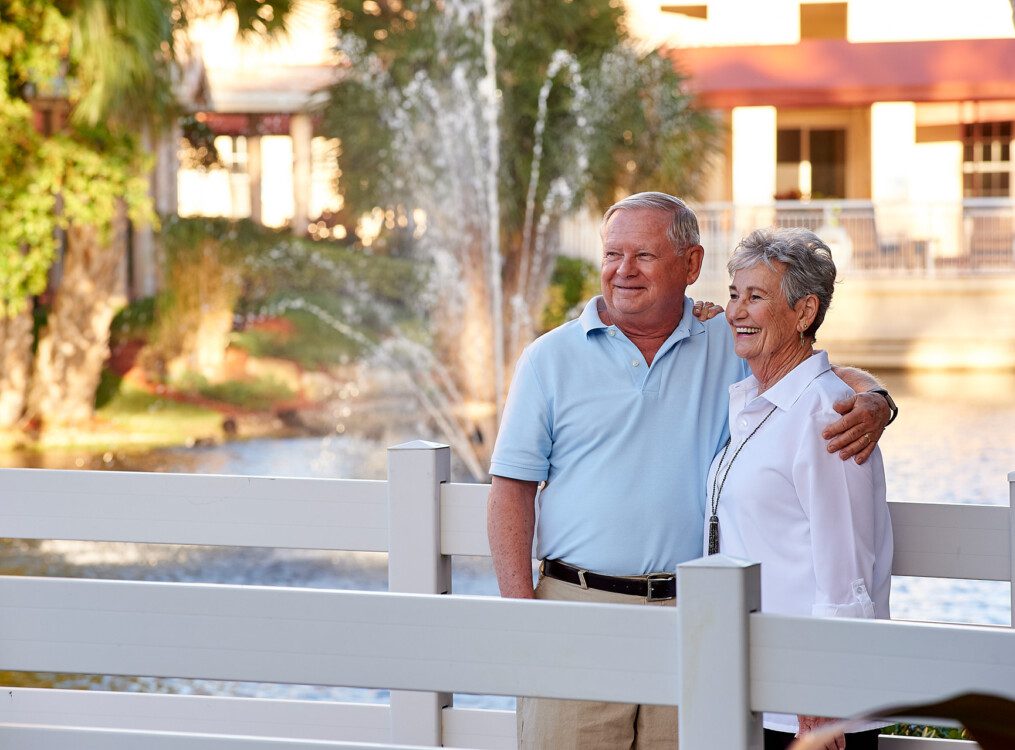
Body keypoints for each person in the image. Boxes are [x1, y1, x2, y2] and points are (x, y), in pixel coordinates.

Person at [487, 193, 895, 750]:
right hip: (577, 612)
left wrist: (875, 398)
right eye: (612, 254)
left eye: (645, 256)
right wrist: (522, 616)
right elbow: (511, 488)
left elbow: (812, 371)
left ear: (691, 264)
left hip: (697, 618)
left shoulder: (730, 343)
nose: (623, 271)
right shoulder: (548, 359)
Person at [706, 227, 893, 750]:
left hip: (808, 708)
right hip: (761, 687)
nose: (737, 311)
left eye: (757, 297)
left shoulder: (825, 413)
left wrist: (820, 696)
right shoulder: (755, 402)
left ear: (804, 312)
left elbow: (846, 567)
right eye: (734, 294)